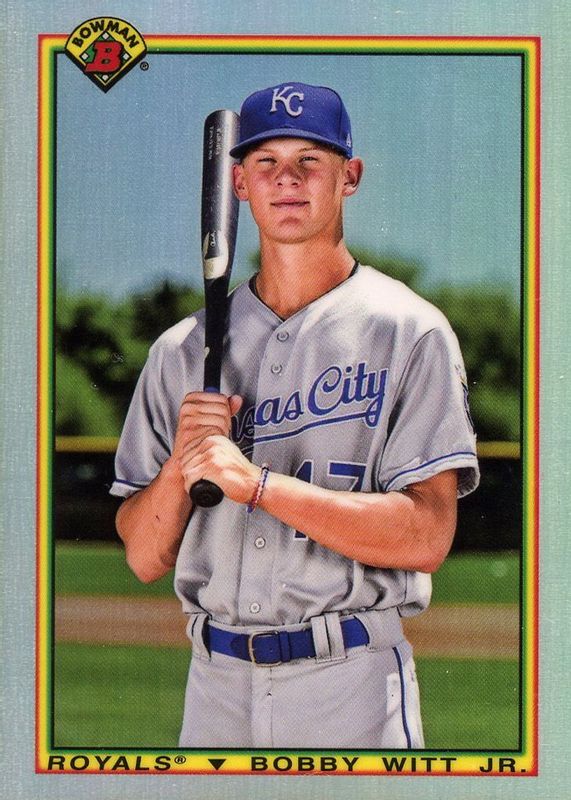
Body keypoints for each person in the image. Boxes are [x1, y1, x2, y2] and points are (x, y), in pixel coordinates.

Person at [110, 82, 479, 749]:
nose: (287, 179)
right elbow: (142, 555)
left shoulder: (408, 330)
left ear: (349, 177)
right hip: (214, 684)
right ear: (239, 184)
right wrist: (180, 467)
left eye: (309, 160)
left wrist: (256, 486)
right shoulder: (181, 350)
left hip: (350, 680)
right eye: (266, 162)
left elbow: (427, 535)